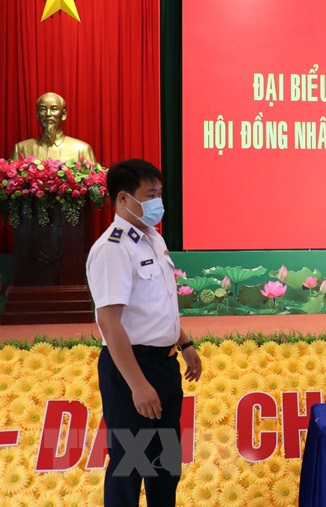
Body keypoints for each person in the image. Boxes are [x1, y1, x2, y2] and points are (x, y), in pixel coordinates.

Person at [86, 159, 202, 506]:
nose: (157, 203)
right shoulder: (113, 249)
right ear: (123, 198)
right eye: (150, 195)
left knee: (165, 466)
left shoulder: (152, 238)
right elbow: (110, 322)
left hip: (163, 365)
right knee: (130, 464)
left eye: (159, 194)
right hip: (131, 368)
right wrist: (138, 385)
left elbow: (155, 305)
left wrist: (185, 342)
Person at [10, 92, 96, 162]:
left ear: (63, 114)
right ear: (37, 114)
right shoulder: (21, 148)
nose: (48, 114)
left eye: (54, 109)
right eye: (43, 109)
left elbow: (93, 178)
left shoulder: (81, 149)